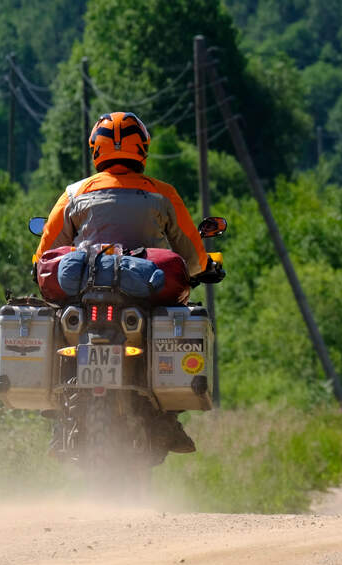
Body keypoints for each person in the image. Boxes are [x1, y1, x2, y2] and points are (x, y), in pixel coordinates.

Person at [32, 111, 208, 454]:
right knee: (169, 330)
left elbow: (45, 254)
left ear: (96, 150)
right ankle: (168, 420)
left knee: (58, 324)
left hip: (85, 297)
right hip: (143, 296)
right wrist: (202, 267)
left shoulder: (74, 193)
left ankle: (58, 419)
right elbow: (194, 256)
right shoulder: (163, 194)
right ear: (142, 149)